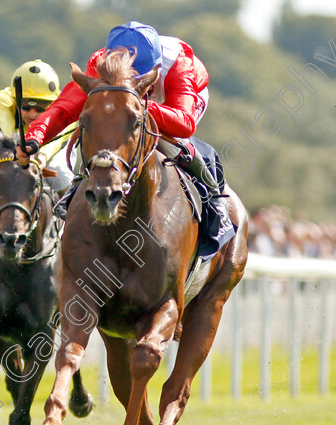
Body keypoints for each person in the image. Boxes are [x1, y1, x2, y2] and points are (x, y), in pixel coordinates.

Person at [16, 21, 234, 259]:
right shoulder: (101, 65)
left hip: (172, 102)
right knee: (101, 129)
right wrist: (33, 138)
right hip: (136, 103)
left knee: (172, 142)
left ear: (153, 69)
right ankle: (80, 184)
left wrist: (136, 107)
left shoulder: (179, 65)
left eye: (138, 78)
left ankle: (214, 200)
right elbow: (64, 108)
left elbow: (184, 122)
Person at [0, 59, 76, 254]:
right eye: (26, 107)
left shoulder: (65, 107)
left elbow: (54, 143)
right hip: (17, 147)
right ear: (15, 102)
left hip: (52, 146)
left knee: (60, 174)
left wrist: (42, 156)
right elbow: (5, 138)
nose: (31, 114)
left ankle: (75, 229)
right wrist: (16, 156)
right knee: (5, 175)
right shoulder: (3, 100)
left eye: (39, 109)